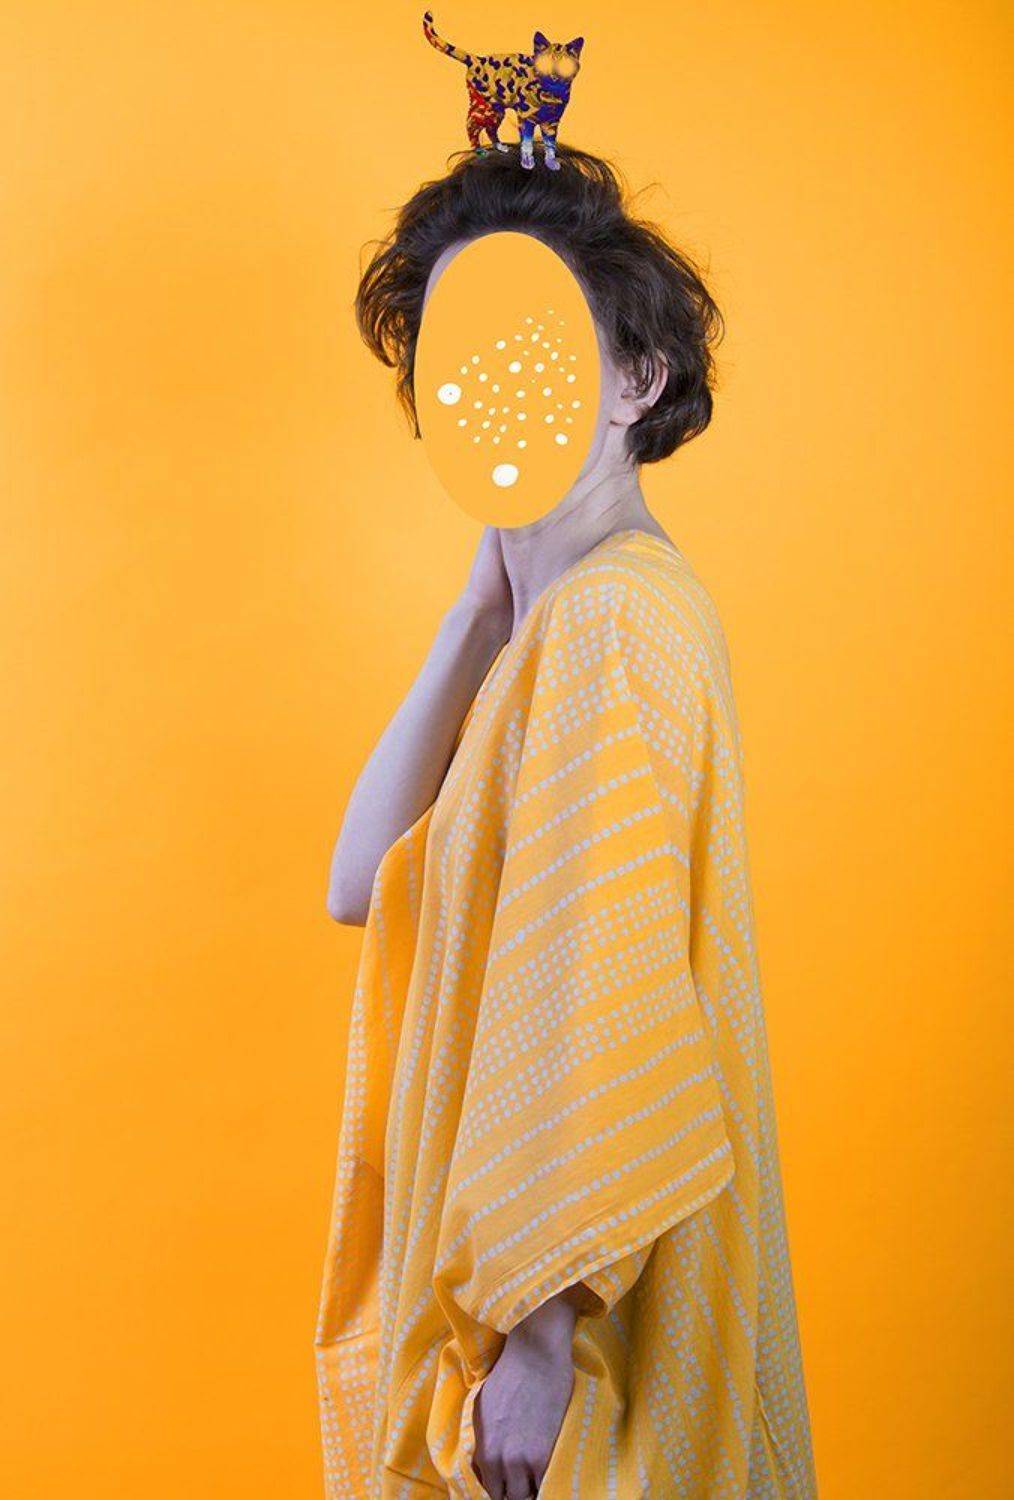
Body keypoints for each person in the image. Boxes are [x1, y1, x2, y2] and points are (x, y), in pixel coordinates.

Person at [316, 146, 817, 1500]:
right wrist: (476, 614)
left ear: (636, 378)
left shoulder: (610, 622)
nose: (482, 375)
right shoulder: (546, 626)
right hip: (534, 1286)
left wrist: (533, 1340)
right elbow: (361, 881)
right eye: (451, 344)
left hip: (574, 1315)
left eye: (526, 334)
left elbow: (597, 981)